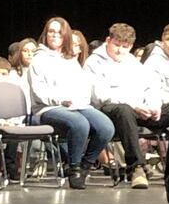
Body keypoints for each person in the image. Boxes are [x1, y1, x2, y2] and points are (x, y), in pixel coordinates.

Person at [28, 16, 114, 189]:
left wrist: (78, 100)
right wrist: (61, 99)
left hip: (77, 105)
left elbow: (82, 86)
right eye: (51, 31)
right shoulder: (38, 59)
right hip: (48, 108)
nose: (55, 35)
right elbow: (39, 92)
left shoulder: (70, 60)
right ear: (45, 34)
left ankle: (85, 166)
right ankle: (73, 168)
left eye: (60, 32)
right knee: (79, 124)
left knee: (106, 127)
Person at [84, 23, 167, 189]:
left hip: (138, 110)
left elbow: (150, 86)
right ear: (108, 40)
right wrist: (135, 105)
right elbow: (101, 95)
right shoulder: (94, 62)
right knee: (124, 110)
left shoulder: (131, 61)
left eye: (125, 46)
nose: (120, 50)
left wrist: (153, 105)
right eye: (116, 45)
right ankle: (136, 167)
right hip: (108, 111)